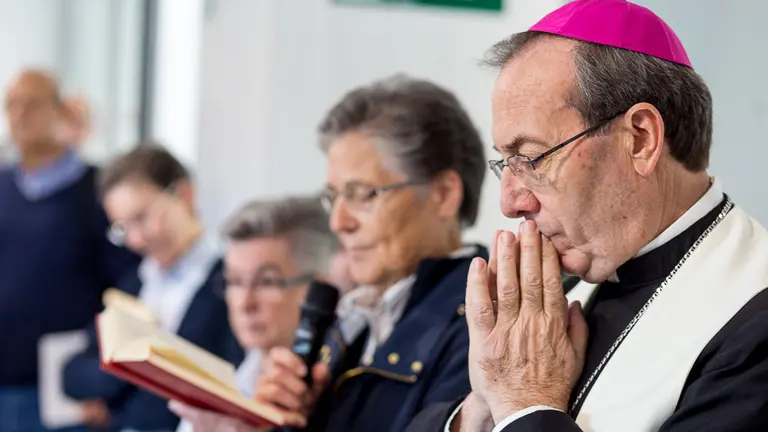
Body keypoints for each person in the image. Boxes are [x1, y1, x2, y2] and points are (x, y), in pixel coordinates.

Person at [406, 1, 768, 431]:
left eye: (531, 158)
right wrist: (484, 406)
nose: (511, 202)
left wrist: (526, 404)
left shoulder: (755, 326)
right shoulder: (566, 280)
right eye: (506, 163)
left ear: (640, 139)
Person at [175, 74, 488, 432]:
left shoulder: (484, 326)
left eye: (362, 194)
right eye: (334, 197)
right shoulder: (351, 322)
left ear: (444, 194)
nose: (339, 222)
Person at [63, 144, 244, 431]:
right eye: (122, 228)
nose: (135, 240)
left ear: (184, 195)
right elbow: (73, 375)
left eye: (142, 218)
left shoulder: (233, 283)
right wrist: (131, 366)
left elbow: (233, 382)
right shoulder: (134, 284)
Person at [0, 69, 139, 432]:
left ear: (62, 112)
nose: (19, 115)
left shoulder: (98, 191)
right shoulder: (3, 187)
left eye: (32, 104)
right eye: (11, 105)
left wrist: (106, 380)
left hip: (66, 393)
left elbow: (129, 285)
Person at [170, 196, 345, 431]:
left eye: (266, 282)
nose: (244, 302)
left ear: (319, 291)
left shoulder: (336, 395)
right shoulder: (228, 380)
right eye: (234, 281)